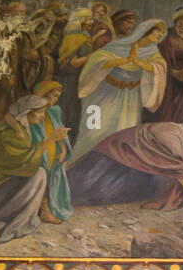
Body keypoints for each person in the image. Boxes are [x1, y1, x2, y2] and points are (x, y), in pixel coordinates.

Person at [66, 115, 183, 208]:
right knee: (82, 191)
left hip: (126, 163)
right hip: (111, 158)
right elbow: (180, 170)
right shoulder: (174, 135)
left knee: (143, 191)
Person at [71, 18, 167, 165]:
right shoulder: (120, 45)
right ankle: (80, 164)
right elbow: (98, 60)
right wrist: (125, 60)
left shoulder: (153, 52)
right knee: (94, 131)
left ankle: (111, 172)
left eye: (162, 32)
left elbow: (159, 68)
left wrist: (138, 63)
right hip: (105, 93)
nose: (160, 34)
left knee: (124, 132)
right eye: (157, 30)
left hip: (131, 97)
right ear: (145, 31)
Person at [0, 95, 54, 242]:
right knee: (40, 174)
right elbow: (24, 162)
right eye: (40, 112)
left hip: (2, 175)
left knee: (40, 172)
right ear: (27, 112)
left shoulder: (20, 128)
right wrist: (50, 140)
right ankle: (12, 217)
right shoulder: (16, 133)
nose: (42, 116)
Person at [31, 80, 73, 223]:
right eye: (53, 96)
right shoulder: (34, 111)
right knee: (43, 176)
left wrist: (62, 150)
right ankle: (43, 210)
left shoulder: (55, 111)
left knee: (54, 177)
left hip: (53, 150)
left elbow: (60, 131)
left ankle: (49, 207)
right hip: (41, 149)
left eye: (57, 97)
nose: (55, 100)